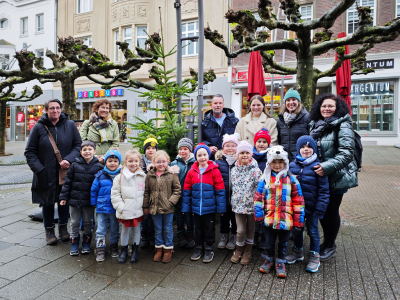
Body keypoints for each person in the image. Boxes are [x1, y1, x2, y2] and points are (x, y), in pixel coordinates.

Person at [25, 99, 82, 245]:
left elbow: (77, 146)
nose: (55, 110)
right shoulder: (38, 127)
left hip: (65, 171)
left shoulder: (69, 125)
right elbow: (30, 152)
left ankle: (63, 228)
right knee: (47, 202)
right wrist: (39, 169)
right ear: (46, 110)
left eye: (57, 108)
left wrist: (69, 160)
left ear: (61, 109)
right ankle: (49, 230)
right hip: (45, 172)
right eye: (51, 108)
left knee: (64, 201)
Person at [309, 93, 358, 261]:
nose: (327, 109)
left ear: (337, 108)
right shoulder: (315, 124)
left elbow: (346, 154)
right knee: (322, 210)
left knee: (331, 211)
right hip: (321, 177)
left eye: (330, 106)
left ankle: (330, 245)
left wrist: (325, 167)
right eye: (324, 106)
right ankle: (326, 242)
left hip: (337, 176)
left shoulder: (343, 125)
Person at [254, 146, 305, 278]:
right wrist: (259, 215)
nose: (277, 165)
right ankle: (269, 259)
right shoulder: (264, 179)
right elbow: (259, 198)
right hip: (269, 217)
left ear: (285, 163)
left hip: (286, 219)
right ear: (269, 163)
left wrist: (299, 220)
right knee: (269, 241)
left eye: (280, 162)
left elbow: (298, 201)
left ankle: (280, 261)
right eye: (274, 162)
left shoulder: (292, 180)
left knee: (284, 242)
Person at [287, 136, 330, 273]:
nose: (306, 150)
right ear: (299, 149)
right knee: (297, 230)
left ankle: (314, 255)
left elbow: (324, 191)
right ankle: (297, 251)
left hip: (313, 208)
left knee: (313, 231)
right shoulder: (292, 166)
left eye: (309, 147)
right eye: (303, 147)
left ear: (314, 149)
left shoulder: (318, 167)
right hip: (296, 208)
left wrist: (320, 209)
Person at [182, 144, 226, 263]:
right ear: (195, 157)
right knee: (199, 228)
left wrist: (221, 208)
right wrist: (185, 208)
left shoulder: (214, 171)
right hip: (196, 208)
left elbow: (220, 191)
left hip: (209, 208)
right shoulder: (192, 172)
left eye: (204, 155)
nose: (202, 157)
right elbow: (186, 191)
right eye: (199, 155)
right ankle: (199, 247)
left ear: (209, 155)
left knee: (210, 228)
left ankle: (209, 248)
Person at [59, 140, 104, 256]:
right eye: (84, 150)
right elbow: (67, 182)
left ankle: (86, 243)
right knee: (74, 222)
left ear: (95, 151)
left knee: (88, 222)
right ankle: (74, 244)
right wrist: (63, 197)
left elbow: (101, 185)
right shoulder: (74, 165)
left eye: (90, 149)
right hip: (74, 200)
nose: (87, 152)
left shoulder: (99, 167)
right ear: (80, 152)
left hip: (89, 201)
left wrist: (98, 200)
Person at [143, 150, 181, 263]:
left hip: (168, 208)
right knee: (158, 229)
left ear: (167, 161)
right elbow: (146, 191)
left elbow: (177, 190)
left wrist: (170, 202)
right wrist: (146, 206)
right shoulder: (150, 175)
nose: (161, 164)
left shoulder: (172, 175)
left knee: (168, 228)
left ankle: (168, 249)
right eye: (158, 162)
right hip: (154, 208)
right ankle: (159, 248)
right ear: (153, 162)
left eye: (163, 161)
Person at [111, 149, 146, 264]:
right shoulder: (119, 177)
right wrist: (122, 208)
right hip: (125, 211)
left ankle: (135, 250)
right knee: (125, 231)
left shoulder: (143, 176)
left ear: (139, 162)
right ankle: (124, 250)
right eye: (130, 161)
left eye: (136, 161)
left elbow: (146, 193)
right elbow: (115, 195)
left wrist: (144, 206)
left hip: (138, 210)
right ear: (125, 162)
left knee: (137, 230)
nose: (133, 163)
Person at [230, 141, 262, 265]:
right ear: (238, 155)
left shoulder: (256, 170)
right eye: (241, 153)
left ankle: (248, 251)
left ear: (251, 154)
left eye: (247, 153)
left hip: (252, 205)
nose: (244, 155)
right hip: (238, 205)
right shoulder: (234, 170)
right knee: (240, 230)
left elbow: (259, 188)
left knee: (251, 229)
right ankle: (239, 250)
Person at [90, 149, 122, 262]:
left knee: (114, 228)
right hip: (102, 207)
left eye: (115, 161)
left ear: (119, 162)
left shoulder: (122, 175)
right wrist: (93, 203)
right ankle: (100, 248)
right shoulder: (100, 176)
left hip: (115, 208)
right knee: (101, 228)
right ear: (105, 162)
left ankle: (114, 246)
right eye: (110, 161)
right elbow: (94, 190)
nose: (112, 163)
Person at [171, 138, 196, 248]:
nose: (182, 151)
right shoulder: (174, 163)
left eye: (185, 149)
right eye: (180, 149)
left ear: (190, 150)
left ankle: (190, 233)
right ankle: (181, 234)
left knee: (190, 217)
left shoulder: (195, 163)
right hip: (179, 196)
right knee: (180, 217)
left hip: (190, 195)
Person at [215, 133, 239, 250]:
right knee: (223, 217)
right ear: (223, 147)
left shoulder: (239, 161)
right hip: (223, 195)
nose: (230, 148)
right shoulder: (218, 162)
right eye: (227, 145)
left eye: (233, 145)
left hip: (236, 196)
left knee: (234, 218)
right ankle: (224, 235)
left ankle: (234, 235)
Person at [277, 89, 310, 162]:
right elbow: (279, 141)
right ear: (285, 103)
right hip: (284, 160)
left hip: (301, 159)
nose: (291, 102)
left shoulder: (307, 118)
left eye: (294, 99)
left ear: (298, 102)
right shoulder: (280, 120)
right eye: (288, 100)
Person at [252, 128, 271, 250]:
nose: (261, 144)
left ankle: (264, 237)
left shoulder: (270, 156)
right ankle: (254, 236)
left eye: (264, 141)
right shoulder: (251, 155)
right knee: (255, 213)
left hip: (267, 191)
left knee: (265, 213)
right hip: (254, 191)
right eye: (259, 141)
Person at [139, 134, 158, 248]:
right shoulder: (140, 162)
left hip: (155, 193)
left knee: (154, 216)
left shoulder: (160, 161)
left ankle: (153, 236)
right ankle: (144, 236)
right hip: (143, 193)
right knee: (145, 216)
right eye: (148, 148)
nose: (151, 150)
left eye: (153, 148)